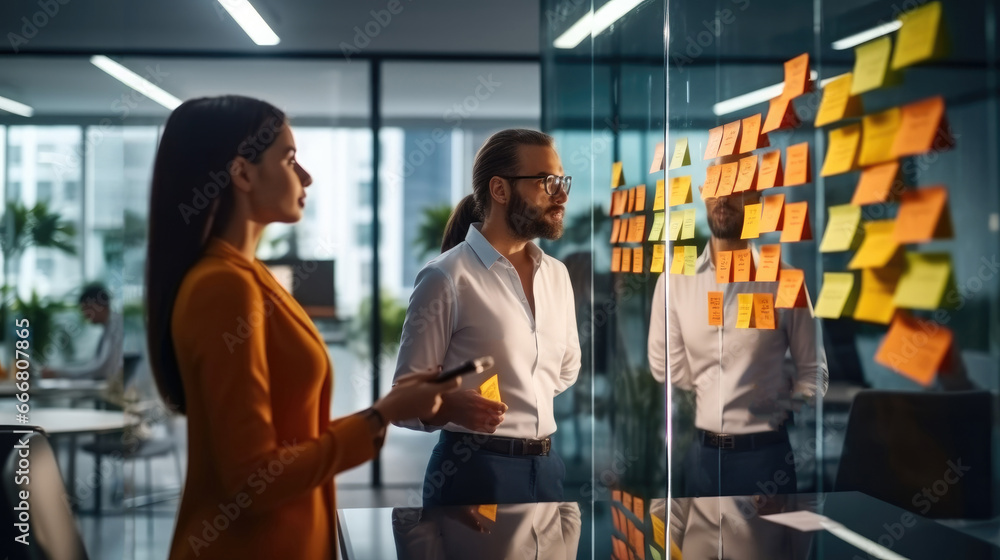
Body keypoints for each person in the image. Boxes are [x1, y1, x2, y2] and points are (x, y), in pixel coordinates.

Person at [144, 95, 459, 560]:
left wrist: (390, 409)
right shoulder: (223, 287)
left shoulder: (250, 276)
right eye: (290, 159)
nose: (306, 176)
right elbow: (253, 478)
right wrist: (381, 415)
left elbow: (290, 437)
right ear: (242, 173)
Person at [393, 129, 582, 507]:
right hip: (472, 469)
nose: (561, 193)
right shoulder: (446, 277)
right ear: (500, 190)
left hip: (547, 469)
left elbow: (563, 372)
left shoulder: (557, 274)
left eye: (562, 181)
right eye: (547, 182)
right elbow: (402, 399)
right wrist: (447, 406)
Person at [648, 188, 828, 498]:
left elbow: (813, 371)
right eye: (713, 189)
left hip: (766, 459)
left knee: (766, 548)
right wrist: (714, 385)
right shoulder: (675, 278)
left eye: (736, 189)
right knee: (699, 548)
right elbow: (666, 365)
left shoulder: (784, 279)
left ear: (757, 198)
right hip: (702, 457)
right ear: (703, 195)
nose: (722, 199)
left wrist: (792, 402)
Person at [41, 282, 123, 381]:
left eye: (85, 309)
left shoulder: (116, 327)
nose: (85, 315)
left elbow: (101, 368)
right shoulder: (110, 327)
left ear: (95, 305)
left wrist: (58, 372)